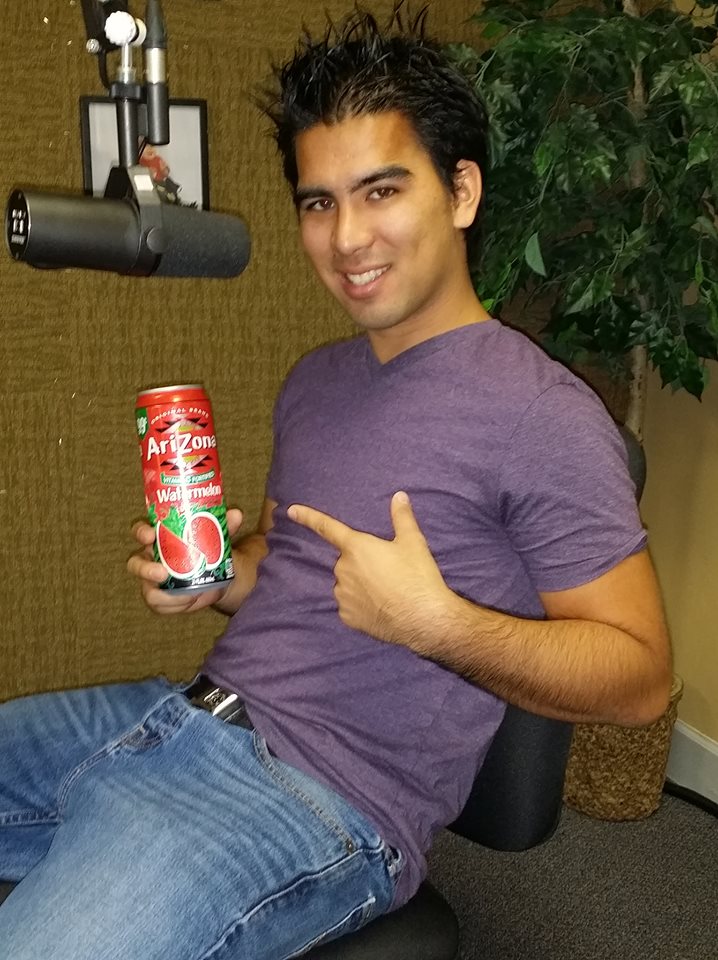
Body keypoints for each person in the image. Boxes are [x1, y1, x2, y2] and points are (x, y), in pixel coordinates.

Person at [0, 6, 672, 959]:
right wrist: (217, 576)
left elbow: (642, 680)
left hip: (314, 802)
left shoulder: (544, 415)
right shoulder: (315, 381)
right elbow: (290, 567)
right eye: (319, 203)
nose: (347, 236)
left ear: (462, 192)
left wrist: (436, 625)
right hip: (169, 717)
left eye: (381, 190)